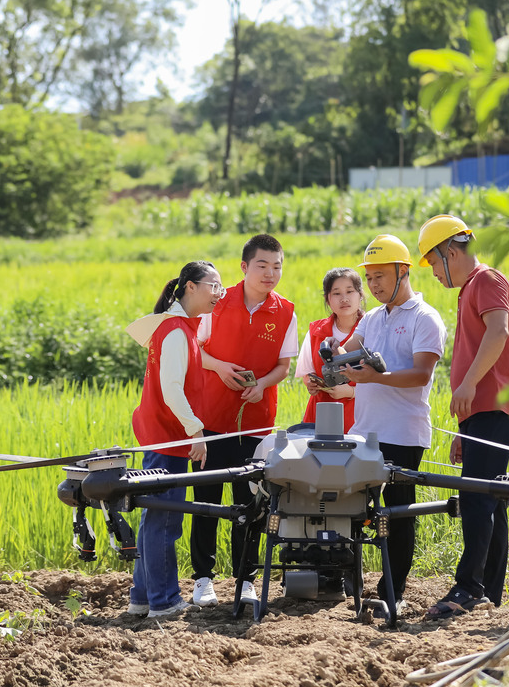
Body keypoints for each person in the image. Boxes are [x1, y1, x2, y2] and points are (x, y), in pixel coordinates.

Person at [417, 214, 509, 620]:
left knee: (477, 498)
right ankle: (489, 592)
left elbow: (498, 333)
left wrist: (468, 385)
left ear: (451, 251)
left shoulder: (486, 280)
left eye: (433, 262)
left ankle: (469, 588)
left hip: (494, 405)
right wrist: (465, 426)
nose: (433, 272)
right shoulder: (469, 290)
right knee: (489, 498)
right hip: (482, 412)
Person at [334, 234, 446, 617]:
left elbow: (421, 374)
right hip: (364, 432)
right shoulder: (371, 317)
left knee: (397, 516)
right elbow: (350, 348)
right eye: (369, 278)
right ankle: (349, 581)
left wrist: (375, 377)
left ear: (403, 271)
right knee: (350, 508)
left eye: (380, 276)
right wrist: (336, 355)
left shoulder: (425, 318)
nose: (374, 285)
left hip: (403, 433)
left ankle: (391, 593)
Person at [188, 234, 297, 608]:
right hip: (210, 419)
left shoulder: (285, 311)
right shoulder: (216, 303)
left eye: (277, 266)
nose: (270, 274)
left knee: (251, 506)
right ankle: (203, 579)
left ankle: (245, 579)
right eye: (262, 265)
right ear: (244, 267)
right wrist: (219, 367)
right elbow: (194, 349)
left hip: (256, 425)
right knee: (206, 502)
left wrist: (262, 385)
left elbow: (284, 366)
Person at [122, 261, 221, 618]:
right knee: (165, 521)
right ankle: (164, 601)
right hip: (169, 437)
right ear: (191, 287)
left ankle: (142, 597)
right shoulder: (176, 330)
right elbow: (172, 391)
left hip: (161, 436)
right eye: (213, 286)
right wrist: (196, 430)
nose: (218, 294)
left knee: (154, 519)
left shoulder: (179, 327)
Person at [293, 267, 365, 430]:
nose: (344, 299)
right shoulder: (316, 331)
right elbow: (307, 373)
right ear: (328, 299)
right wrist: (310, 384)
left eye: (350, 291)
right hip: (319, 416)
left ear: (360, 295)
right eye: (336, 293)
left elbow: (383, 383)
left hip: (358, 419)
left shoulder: (372, 329)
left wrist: (351, 392)